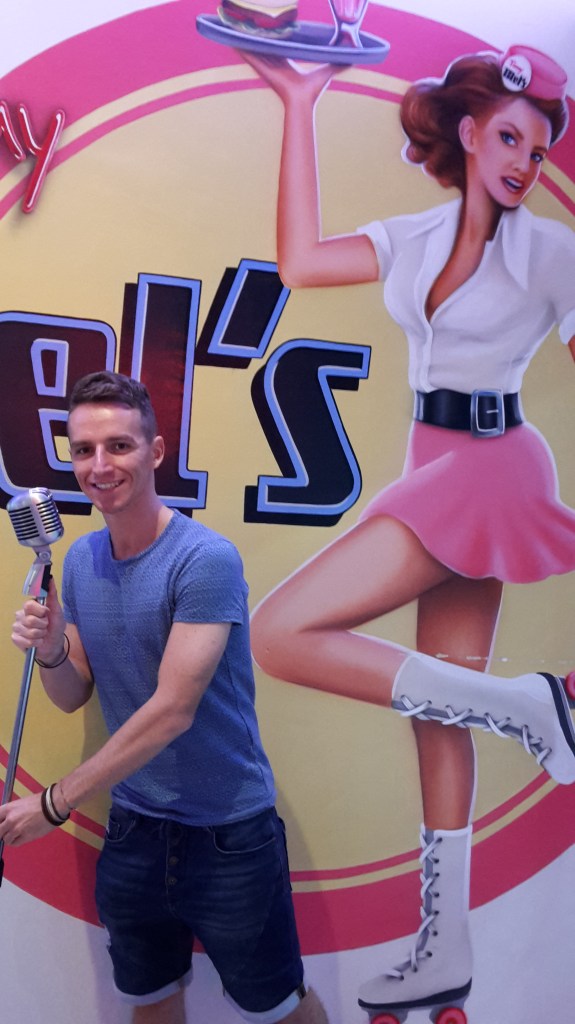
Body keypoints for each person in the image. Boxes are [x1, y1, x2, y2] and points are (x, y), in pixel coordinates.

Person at [241, 43, 575, 1016]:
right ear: (468, 133)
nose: (522, 163)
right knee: (440, 711)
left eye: (537, 150)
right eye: (507, 138)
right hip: (431, 458)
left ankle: (527, 707)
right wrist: (298, 105)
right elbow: (300, 263)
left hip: (494, 467)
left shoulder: (554, 254)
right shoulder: (416, 236)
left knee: (278, 632)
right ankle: (446, 947)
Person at [3, 370, 329, 1024]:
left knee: (277, 1009)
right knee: (150, 1002)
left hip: (228, 835)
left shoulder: (204, 559)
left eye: (119, 446)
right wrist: (52, 648)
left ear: (155, 452)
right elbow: (72, 695)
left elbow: (173, 711)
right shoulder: (81, 560)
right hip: (134, 829)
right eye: (84, 449)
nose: (99, 465)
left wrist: (55, 803)